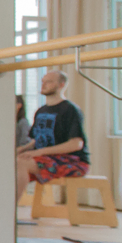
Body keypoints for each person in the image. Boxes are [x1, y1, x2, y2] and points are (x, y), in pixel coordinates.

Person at [15, 70, 89, 203]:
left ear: (61, 85)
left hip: (73, 161)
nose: (43, 84)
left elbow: (76, 143)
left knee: (20, 162)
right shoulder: (41, 111)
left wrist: (39, 152)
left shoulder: (70, 110)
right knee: (11, 161)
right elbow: (36, 140)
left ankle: (11, 211)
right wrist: (21, 150)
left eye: (49, 82)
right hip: (45, 158)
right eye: (43, 81)